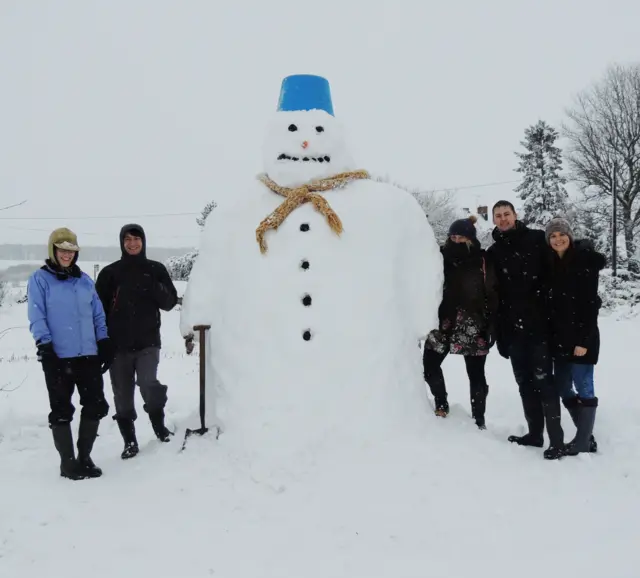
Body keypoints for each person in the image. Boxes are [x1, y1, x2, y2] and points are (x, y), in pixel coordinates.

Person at [27, 228, 114, 480]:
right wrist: (44, 345)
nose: (67, 254)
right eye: (62, 249)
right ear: (53, 250)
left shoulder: (85, 280)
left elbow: (97, 314)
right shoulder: (40, 279)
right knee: (62, 409)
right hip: (57, 357)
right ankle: (68, 463)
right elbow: (36, 314)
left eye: (71, 250)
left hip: (88, 354)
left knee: (95, 405)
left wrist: (104, 340)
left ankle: (84, 458)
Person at [487, 201, 565, 460]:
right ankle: (534, 434)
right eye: (498, 216)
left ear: (515, 215)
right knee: (524, 384)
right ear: (494, 219)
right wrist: (500, 334)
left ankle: (556, 440)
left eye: (506, 214)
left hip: (539, 326)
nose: (503, 219)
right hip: (512, 330)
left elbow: (559, 263)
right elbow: (494, 294)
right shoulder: (494, 251)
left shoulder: (535, 239)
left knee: (545, 382)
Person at [95, 224, 178, 459]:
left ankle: (159, 427)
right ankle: (129, 441)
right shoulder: (110, 273)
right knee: (122, 393)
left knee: (148, 383)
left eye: (137, 239)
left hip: (148, 342)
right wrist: (101, 343)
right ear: (121, 242)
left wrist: (152, 285)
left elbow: (170, 302)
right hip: (117, 346)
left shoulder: (155, 269)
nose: (132, 243)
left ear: (144, 241)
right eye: (128, 239)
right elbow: (97, 312)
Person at [423, 216, 498, 429]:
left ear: (470, 238)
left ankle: (479, 418)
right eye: (453, 236)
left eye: (461, 236)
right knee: (429, 365)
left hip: (473, 323)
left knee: (475, 374)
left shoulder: (482, 260)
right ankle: (441, 403)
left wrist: (492, 323)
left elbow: (492, 292)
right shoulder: (438, 257)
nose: (455, 240)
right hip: (443, 320)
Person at [545, 218, 605, 455]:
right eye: (552, 236)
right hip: (559, 338)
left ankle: (582, 441)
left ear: (569, 236)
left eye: (562, 234)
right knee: (562, 386)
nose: (558, 239)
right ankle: (586, 435)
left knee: (584, 386)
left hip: (583, 337)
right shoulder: (550, 264)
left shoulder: (584, 262)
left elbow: (591, 305)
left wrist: (583, 341)